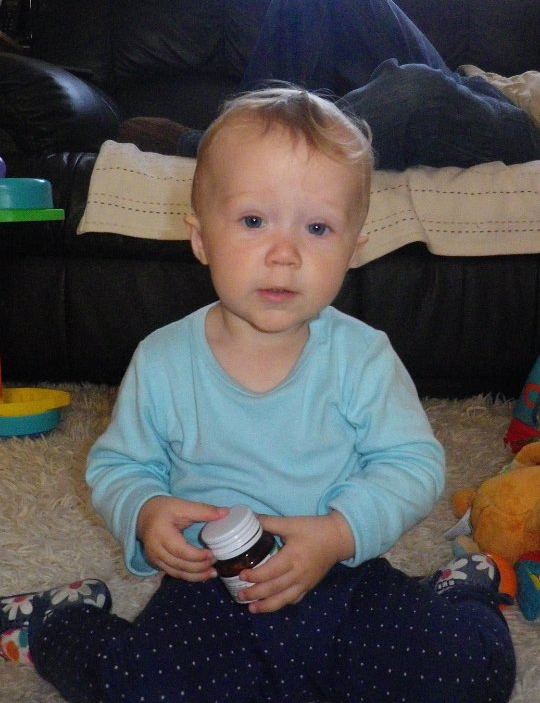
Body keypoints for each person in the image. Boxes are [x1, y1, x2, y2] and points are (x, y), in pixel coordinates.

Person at [0, 86, 515, 703]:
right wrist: (144, 511)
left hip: (335, 571)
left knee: (467, 676)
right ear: (201, 238)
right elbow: (119, 466)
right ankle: (56, 621)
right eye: (253, 221)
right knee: (146, 687)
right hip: (209, 590)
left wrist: (338, 533)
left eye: (317, 227)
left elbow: (413, 463)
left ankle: (460, 590)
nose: (284, 254)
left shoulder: (361, 355)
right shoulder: (164, 359)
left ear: (353, 250)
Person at [119, 0, 540, 171]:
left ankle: (217, 149)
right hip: (482, 84)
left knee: (414, 87)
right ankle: (243, 128)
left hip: (521, 129)